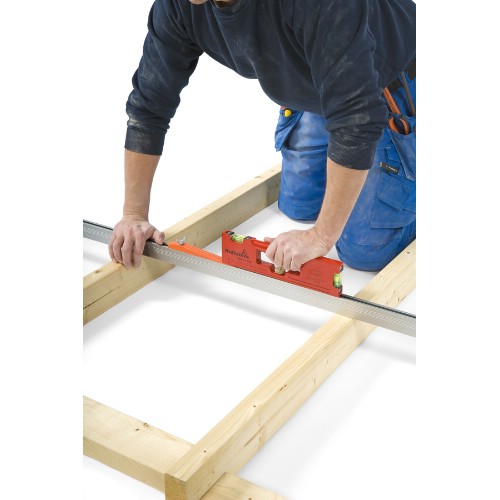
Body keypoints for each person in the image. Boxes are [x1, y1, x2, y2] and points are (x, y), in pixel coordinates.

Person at [108, 0, 416, 274]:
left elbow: (356, 122)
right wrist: (133, 214)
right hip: (320, 82)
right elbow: (149, 105)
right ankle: (329, 102)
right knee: (298, 207)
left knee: (365, 251)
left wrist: (321, 236)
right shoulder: (180, 5)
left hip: (384, 83)